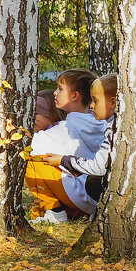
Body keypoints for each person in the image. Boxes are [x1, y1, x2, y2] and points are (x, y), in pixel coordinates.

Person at [30, 74, 118, 221]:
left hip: (86, 193)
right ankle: (68, 212)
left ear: (75, 95)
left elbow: (31, 144)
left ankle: (54, 210)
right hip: (93, 191)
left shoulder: (70, 126)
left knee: (33, 160)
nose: (54, 93)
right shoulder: (101, 122)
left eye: (60, 89)